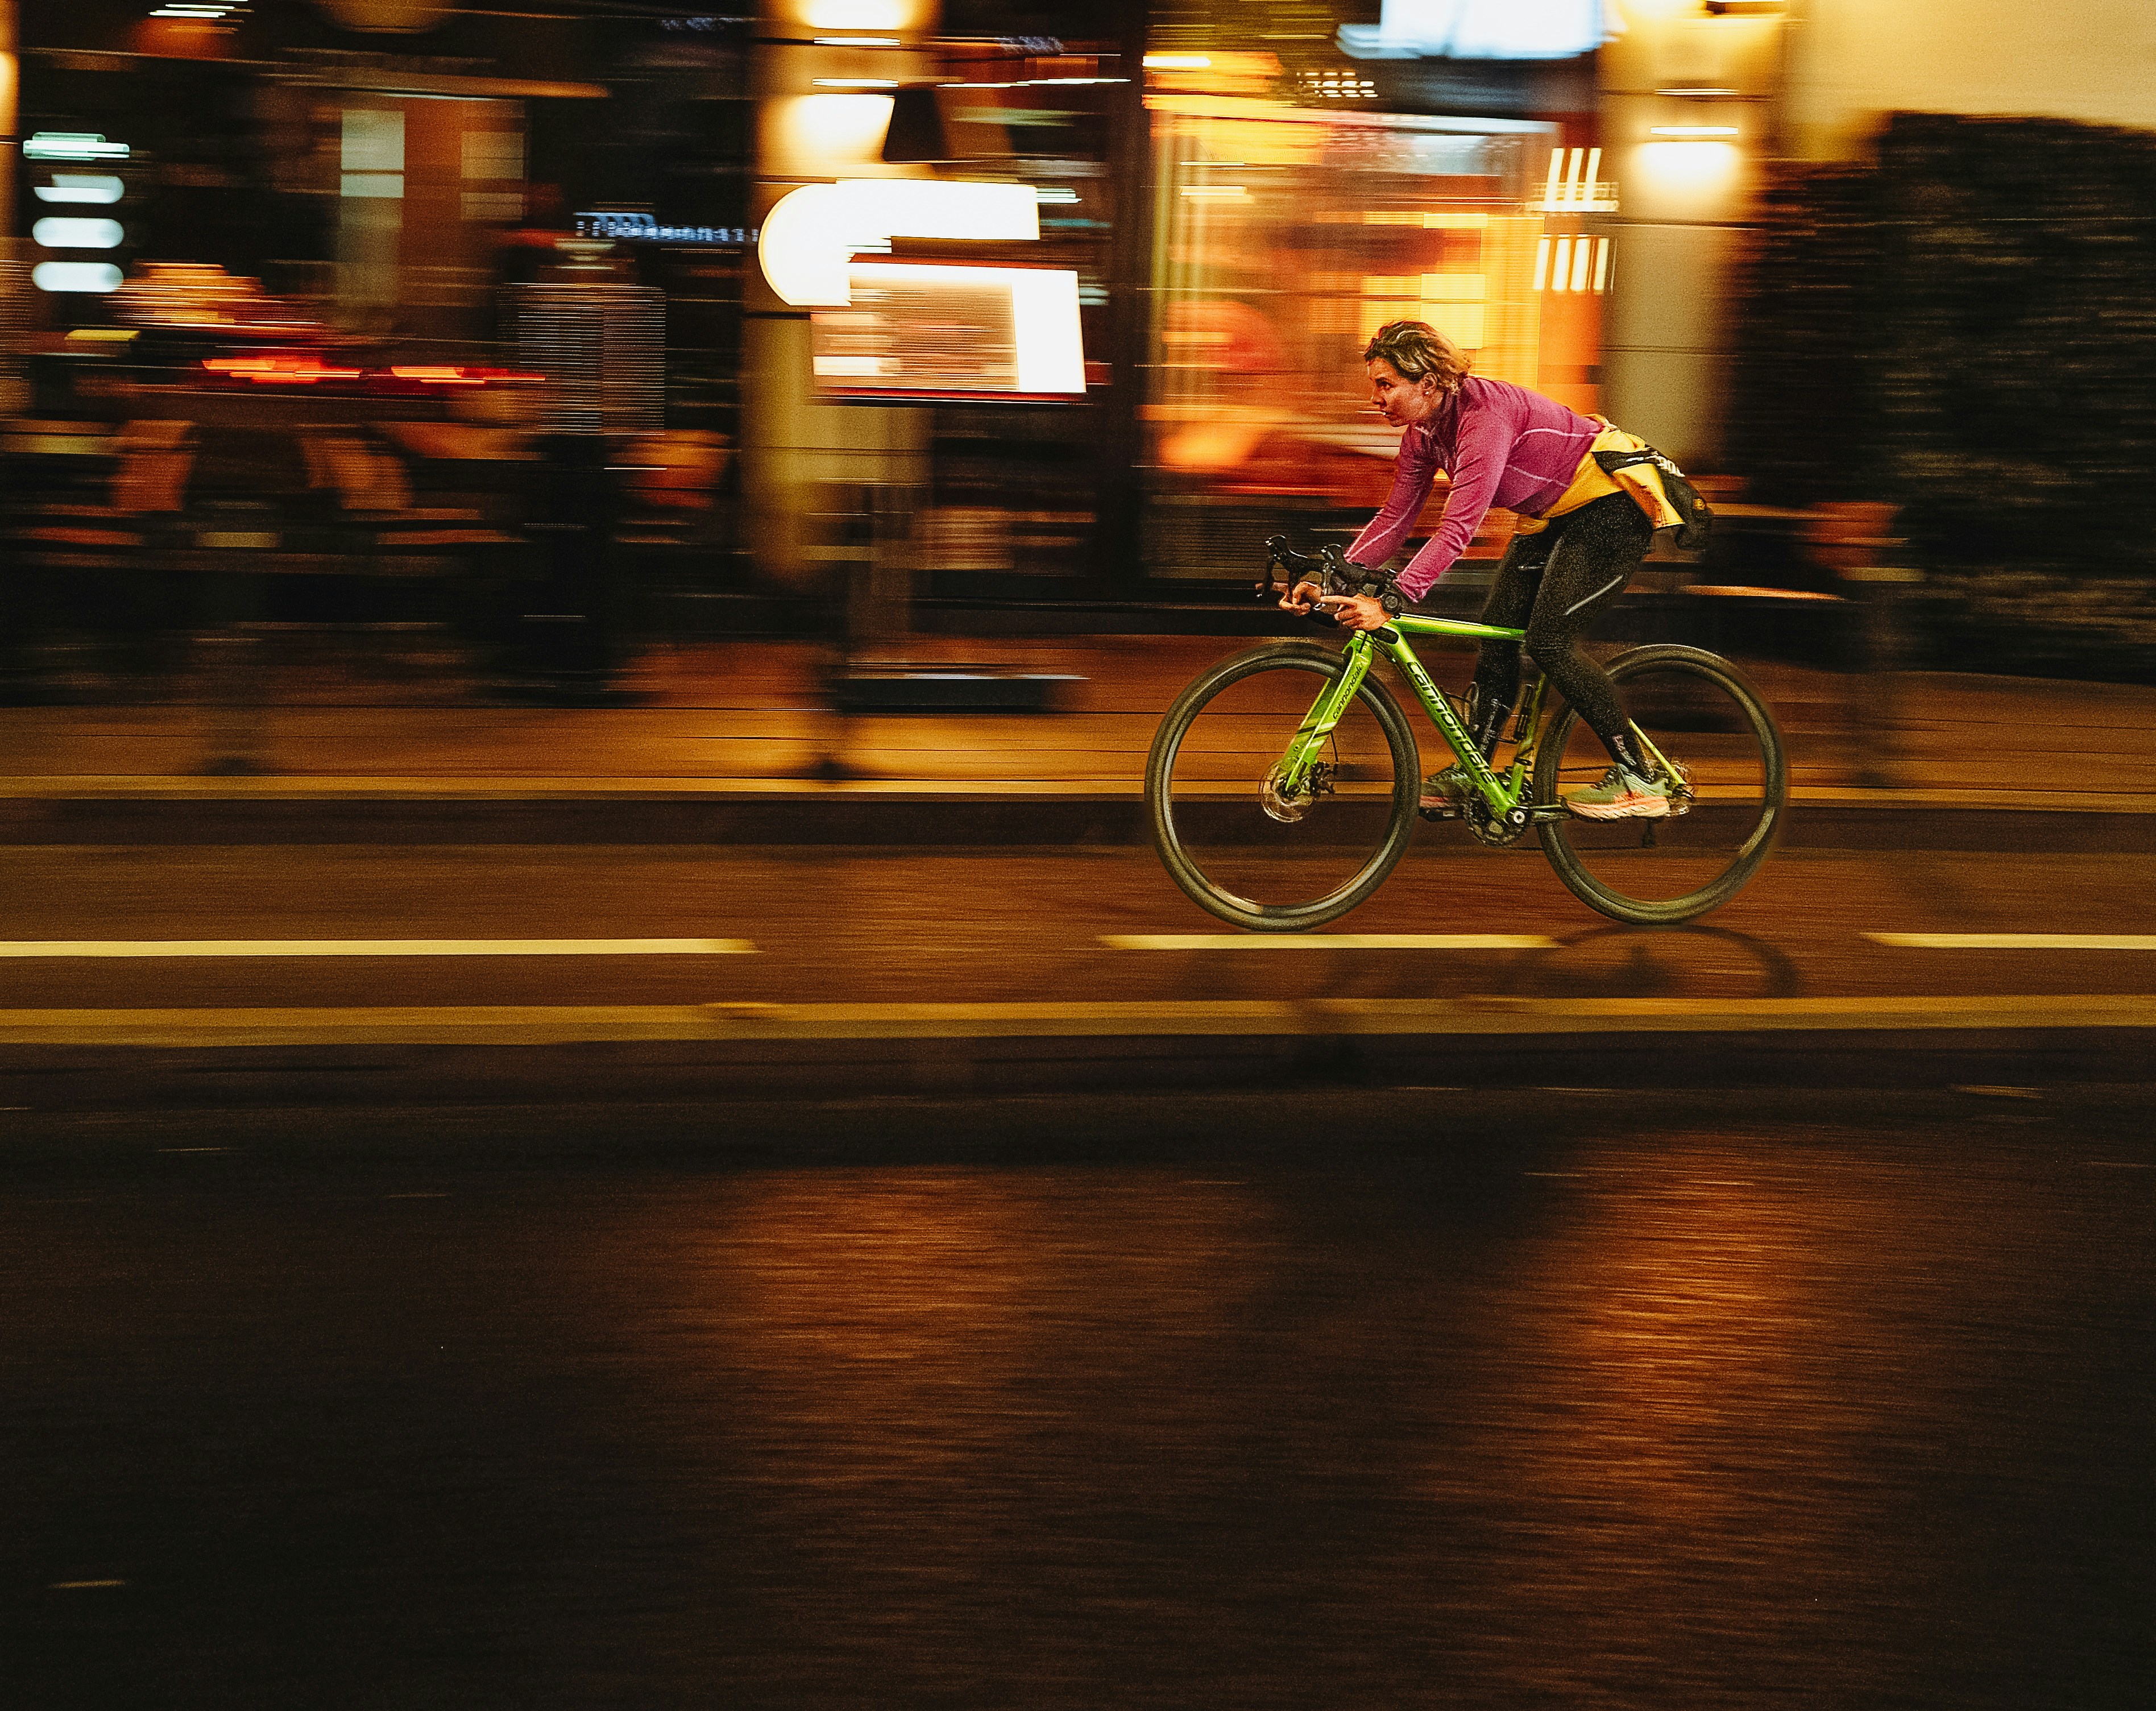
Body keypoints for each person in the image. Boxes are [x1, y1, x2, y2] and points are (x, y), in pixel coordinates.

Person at [1283, 320, 1678, 821]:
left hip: (1610, 510)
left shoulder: (1483, 417)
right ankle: (1477, 773)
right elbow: (1396, 519)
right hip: (1551, 515)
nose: (1376, 398)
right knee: (1499, 634)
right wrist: (1330, 579)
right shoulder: (1423, 434)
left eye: (1385, 385)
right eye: (1374, 386)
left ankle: (1640, 777)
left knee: (1548, 641)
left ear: (1427, 383)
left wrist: (1394, 599)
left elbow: (1458, 529)